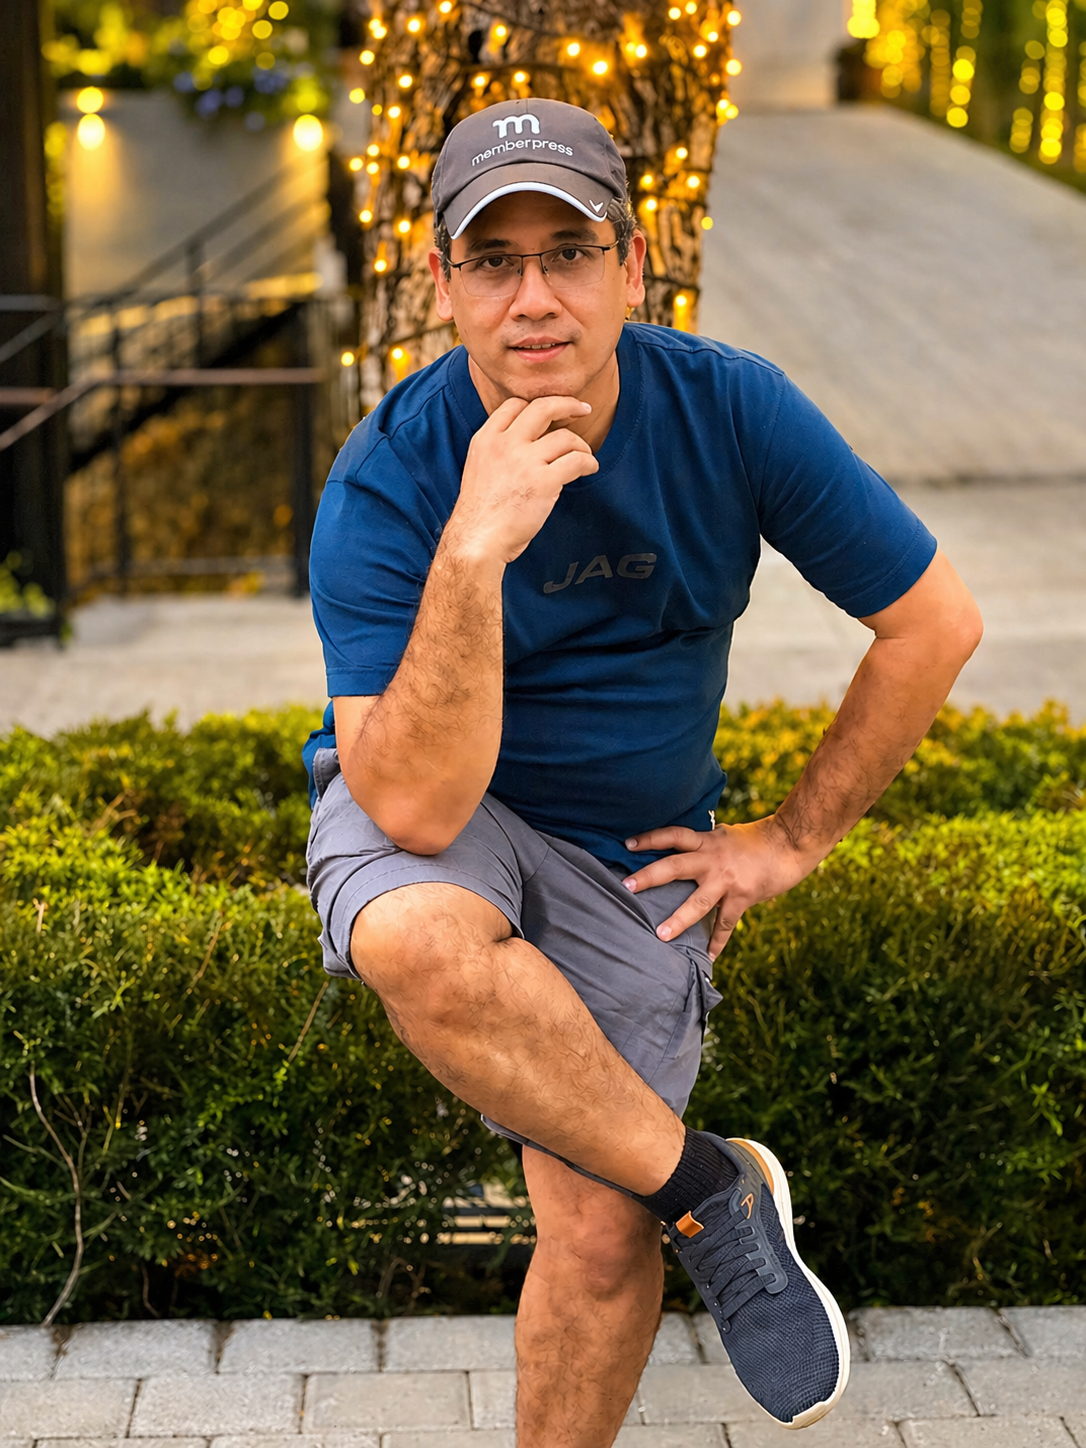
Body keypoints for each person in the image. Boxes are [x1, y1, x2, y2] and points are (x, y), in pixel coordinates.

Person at [303, 98, 982, 1445]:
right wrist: (472, 553)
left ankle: (669, 1201)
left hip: (630, 852)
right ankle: (711, 1189)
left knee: (600, 1233)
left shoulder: (728, 410)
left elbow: (931, 625)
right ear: (440, 285)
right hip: (437, 802)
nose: (534, 297)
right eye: (493, 261)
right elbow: (415, 808)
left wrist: (787, 839)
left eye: (570, 250)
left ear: (634, 262)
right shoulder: (390, 475)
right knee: (415, 931)